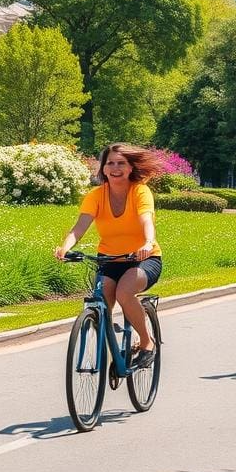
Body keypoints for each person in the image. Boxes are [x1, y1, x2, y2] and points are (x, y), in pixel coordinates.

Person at [55, 143, 163, 369]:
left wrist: (147, 242)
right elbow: (79, 227)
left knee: (125, 291)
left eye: (121, 163)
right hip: (109, 259)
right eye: (110, 163)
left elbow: (146, 220)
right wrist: (65, 247)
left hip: (143, 258)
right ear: (103, 169)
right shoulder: (95, 196)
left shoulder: (140, 191)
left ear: (131, 168)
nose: (115, 168)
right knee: (102, 298)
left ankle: (146, 342)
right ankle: (113, 338)